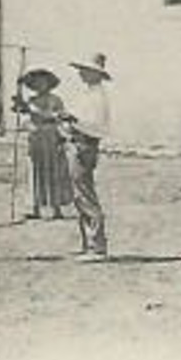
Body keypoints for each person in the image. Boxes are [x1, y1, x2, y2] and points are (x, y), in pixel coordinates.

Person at [63, 53, 113, 260]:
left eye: (85, 70)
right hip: (77, 143)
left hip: (85, 145)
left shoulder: (98, 98)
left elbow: (97, 128)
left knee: (85, 193)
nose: (81, 73)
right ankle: (89, 243)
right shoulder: (88, 94)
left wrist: (73, 120)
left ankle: (97, 246)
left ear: (96, 74)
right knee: (78, 194)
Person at [12, 67, 73, 220]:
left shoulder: (55, 100)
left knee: (54, 171)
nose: (40, 85)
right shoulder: (31, 101)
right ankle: (36, 208)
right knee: (36, 171)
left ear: (49, 84)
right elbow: (20, 110)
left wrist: (64, 135)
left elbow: (60, 117)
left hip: (51, 138)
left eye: (43, 82)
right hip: (36, 139)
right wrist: (19, 99)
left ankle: (57, 208)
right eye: (36, 82)